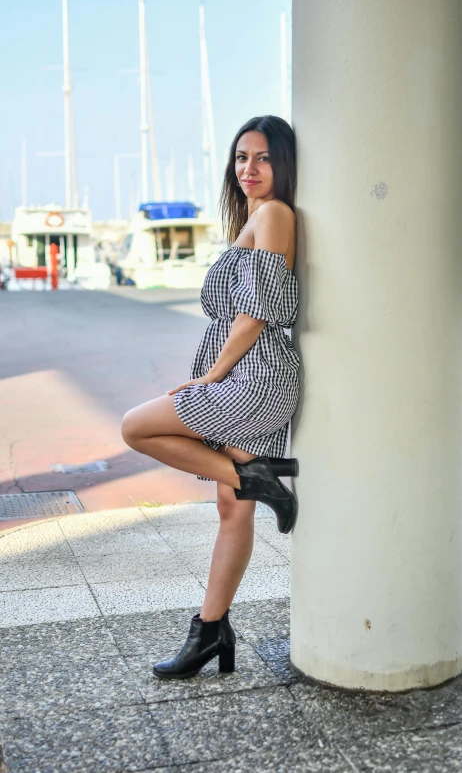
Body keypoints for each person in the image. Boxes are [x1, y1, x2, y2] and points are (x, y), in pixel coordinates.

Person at [121, 115, 300, 679]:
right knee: (231, 510)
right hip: (248, 372)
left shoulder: (274, 214)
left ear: (284, 164)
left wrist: (213, 375)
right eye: (242, 157)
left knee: (136, 427)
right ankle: (211, 631)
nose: (250, 169)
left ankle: (256, 470)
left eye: (264, 158)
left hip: (256, 375)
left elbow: (257, 312)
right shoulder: (256, 215)